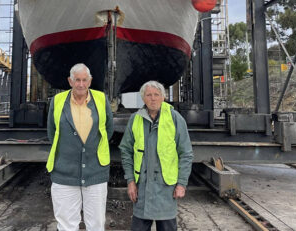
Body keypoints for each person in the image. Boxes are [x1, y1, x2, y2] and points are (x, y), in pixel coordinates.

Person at [47, 63, 113, 231]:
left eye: (84, 80)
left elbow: (108, 129)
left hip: (95, 171)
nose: (81, 84)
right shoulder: (57, 101)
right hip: (64, 173)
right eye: (77, 80)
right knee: (66, 225)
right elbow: (52, 132)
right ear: (70, 81)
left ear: (90, 81)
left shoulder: (100, 99)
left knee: (97, 224)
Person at [119, 80, 193, 231]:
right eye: (149, 95)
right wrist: (130, 181)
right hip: (142, 189)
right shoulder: (135, 119)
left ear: (163, 97)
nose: (153, 98)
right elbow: (126, 150)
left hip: (166, 189)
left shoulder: (175, 118)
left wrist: (181, 183)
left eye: (156, 95)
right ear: (143, 98)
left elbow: (186, 153)